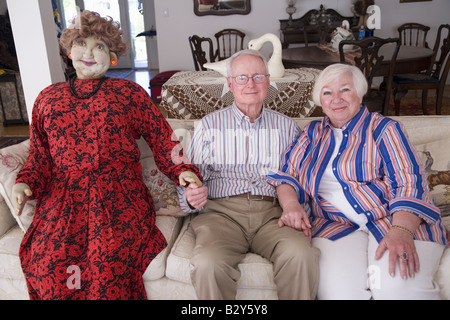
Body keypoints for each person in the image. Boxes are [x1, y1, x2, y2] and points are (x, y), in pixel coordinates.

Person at [11, 10, 201, 300]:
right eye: (81, 43)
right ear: (68, 49)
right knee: (47, 262)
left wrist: (182, 170)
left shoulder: (129, 93)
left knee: (106, 267)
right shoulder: (47, 99)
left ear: (112, 56)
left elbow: (163, 139)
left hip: (117, 196)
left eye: (99, 46)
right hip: (63, 199)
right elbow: (40, 155)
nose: (88, 53)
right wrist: (25, 183)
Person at [268, 63, 448, 300]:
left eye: (345, 89)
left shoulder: (384, 129)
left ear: (360, 93)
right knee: (338, 293)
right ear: (320, 100)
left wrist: (402, 230)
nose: (336, 99)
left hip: (393, 220)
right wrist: (291, 205)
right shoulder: (312, 133)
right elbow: (287, 175)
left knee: (397, 287)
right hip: (335, 225)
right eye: (327, 92)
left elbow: (409, 183)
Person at [178, 49, 320, 300]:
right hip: (221, 214)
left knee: (301, 254)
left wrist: (298, 208)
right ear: (230, 84)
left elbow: (300, 177)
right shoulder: (210, 125)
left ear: (268, 82)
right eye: (242, 78)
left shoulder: (286, 126)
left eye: (258, 76)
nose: (250, 84)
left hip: (272, 214)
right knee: (208, 263)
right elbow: (191, 177)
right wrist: (190, 196)